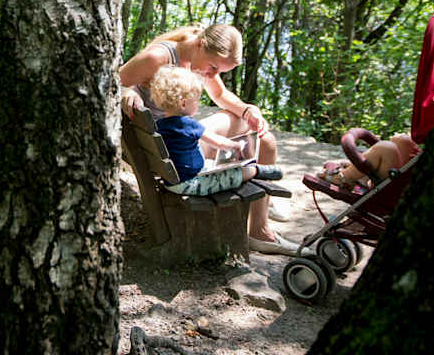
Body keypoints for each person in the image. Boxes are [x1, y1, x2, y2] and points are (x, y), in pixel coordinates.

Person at [120, 23, 300, 256]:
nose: (213, 75)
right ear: (201, 44)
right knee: (264, 143)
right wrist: (128, 92)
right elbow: (114, 80)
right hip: (170, 151)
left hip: (168, 147)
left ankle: (261, 208)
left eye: (219, 72)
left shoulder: (197, 58)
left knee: (264, 139)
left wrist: (247, 110)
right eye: (213, 67)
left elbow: (219, 94)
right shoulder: (159, 57)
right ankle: (260, 229)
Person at [148, 65, 283, 196]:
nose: (198, 104)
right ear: (183, 103)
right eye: (196, 100)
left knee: (211, 164)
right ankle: (257, 171)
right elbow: (219, 142)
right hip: (191, 183)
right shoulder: (187, 125)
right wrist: (236, 146)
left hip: (172, 182)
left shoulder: (159, 125)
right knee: (238, 173)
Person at [318, 133, 420, 189]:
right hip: (404, 178)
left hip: (398, 189)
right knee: (402, 139)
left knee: (385, 148)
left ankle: (342, 178)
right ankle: (361, 173)